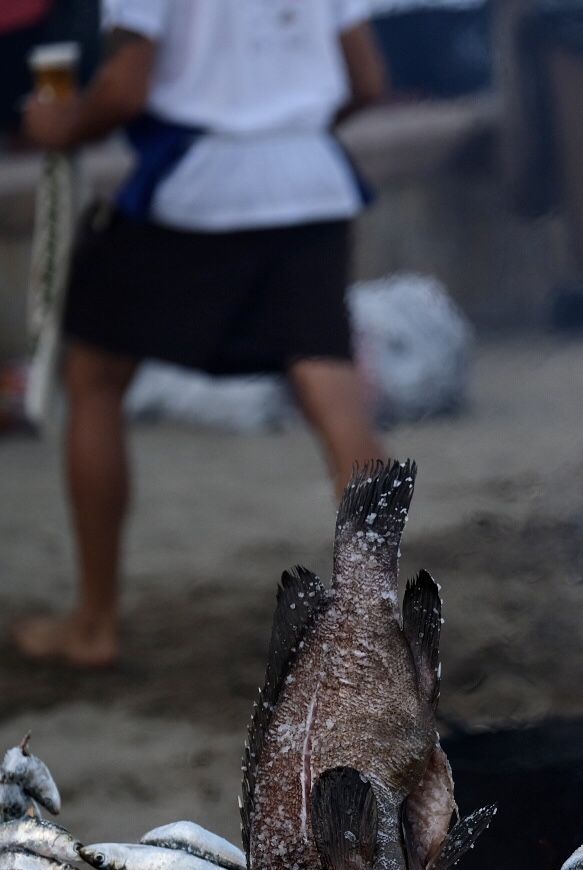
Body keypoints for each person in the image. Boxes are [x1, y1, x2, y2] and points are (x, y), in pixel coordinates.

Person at [12, 0, 390, 667]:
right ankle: (379, 626)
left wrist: (63, 124)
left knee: (94, 376)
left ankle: (94, 623)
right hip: (312, 178)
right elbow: (367, 82)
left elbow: (126, 89)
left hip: (198, 183)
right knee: (328, 383)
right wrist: (285, 130)